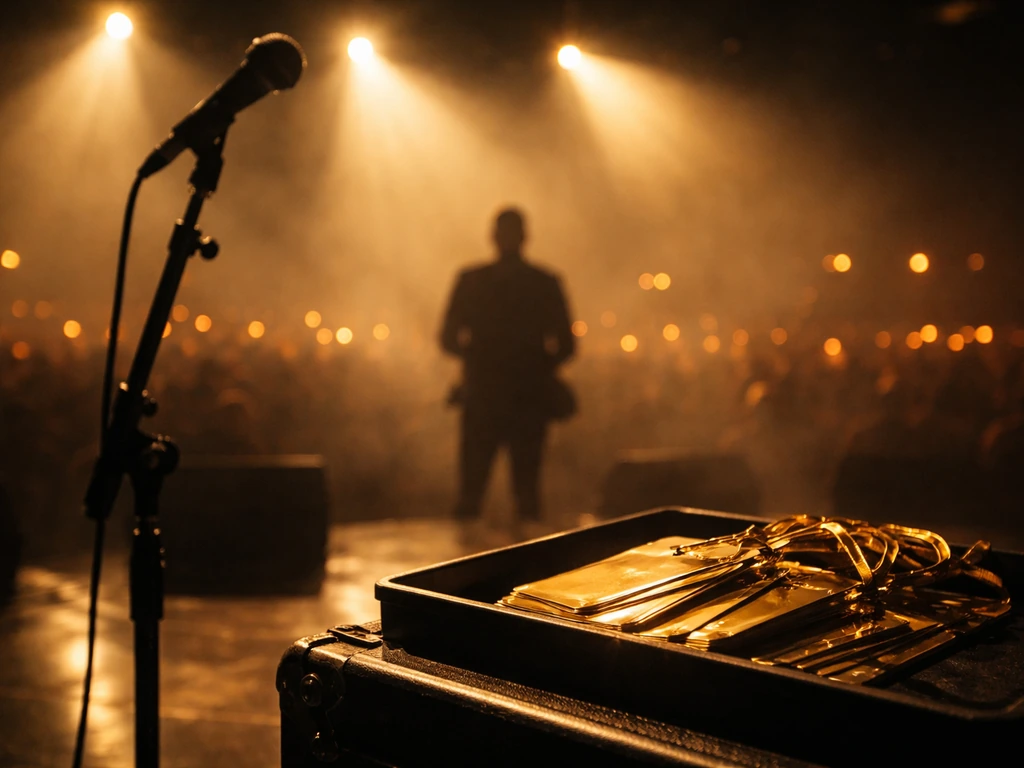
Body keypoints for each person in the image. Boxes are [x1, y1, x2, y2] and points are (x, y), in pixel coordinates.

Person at [440, 207, 576, 541]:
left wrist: (479, 359)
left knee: (471, 494)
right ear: (525, 237)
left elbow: (446, 338)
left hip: (482, 398)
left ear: (493, 236)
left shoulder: (471, 281)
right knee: (527, 495)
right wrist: (534, 366)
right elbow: (567, 345)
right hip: (528, 401)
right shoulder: (545, 283)